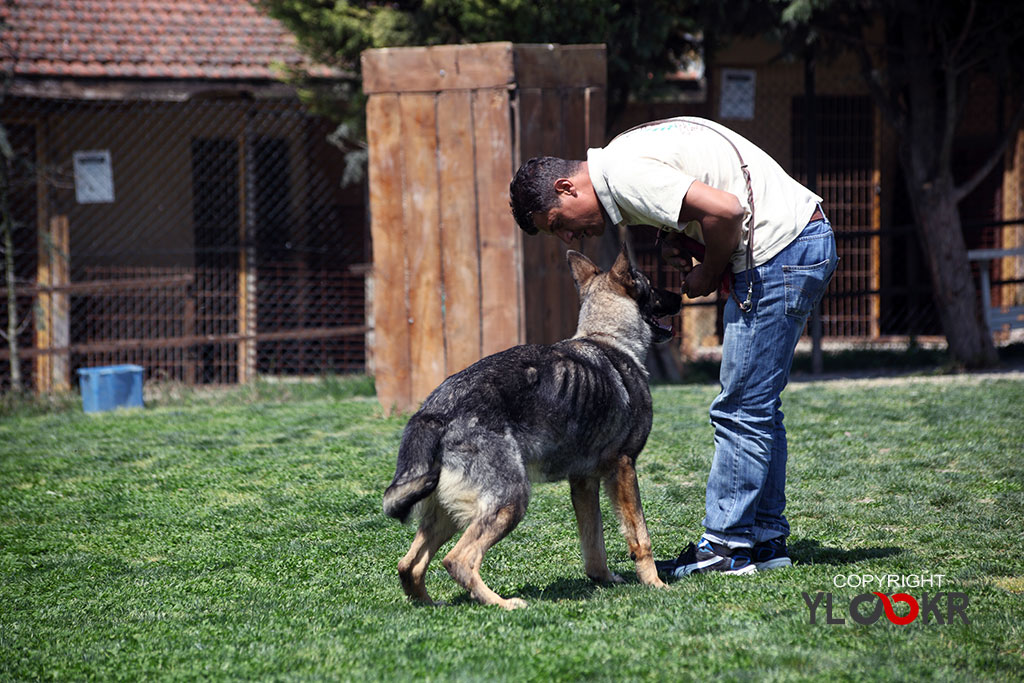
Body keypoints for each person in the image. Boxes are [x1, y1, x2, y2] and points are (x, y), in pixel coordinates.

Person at [509, 116, 838, 576]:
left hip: (780, 252)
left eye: (560, 224)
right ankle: (764, 540)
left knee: (740, 408)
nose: (569, 237)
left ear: (567, 188)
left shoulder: (625, 175)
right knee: (759, 406)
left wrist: (706, 273)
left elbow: (725, 212)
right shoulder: (620, 157)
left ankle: (726, 547)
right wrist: (679, 238)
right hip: (798, 241)